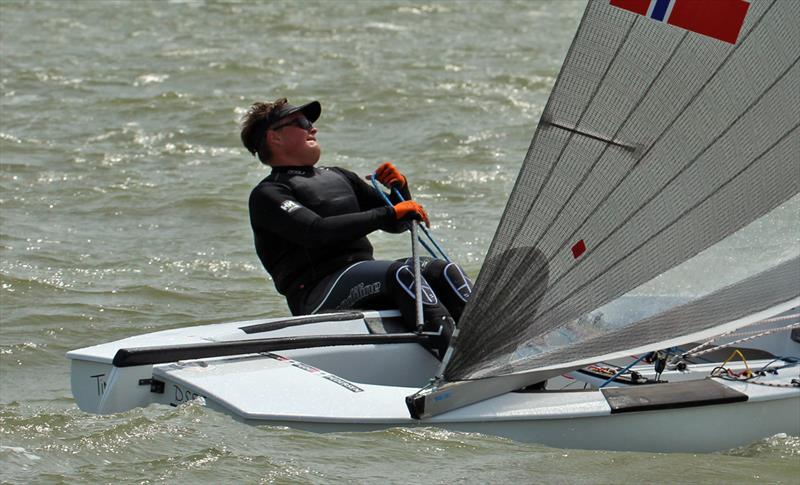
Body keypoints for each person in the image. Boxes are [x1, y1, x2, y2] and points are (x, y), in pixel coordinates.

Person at [240, 98, 472, 354]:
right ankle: (456, 362)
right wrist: (388, 212)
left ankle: (498, 348)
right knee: (401, 274)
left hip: (365, 276)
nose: (313, 128)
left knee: (445, 271)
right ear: (275, 138)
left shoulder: (338, 175)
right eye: (302, 122)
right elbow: (317, 232)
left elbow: (399, 223)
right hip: (318, 294)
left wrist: (399, 190)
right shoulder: (269, 194)